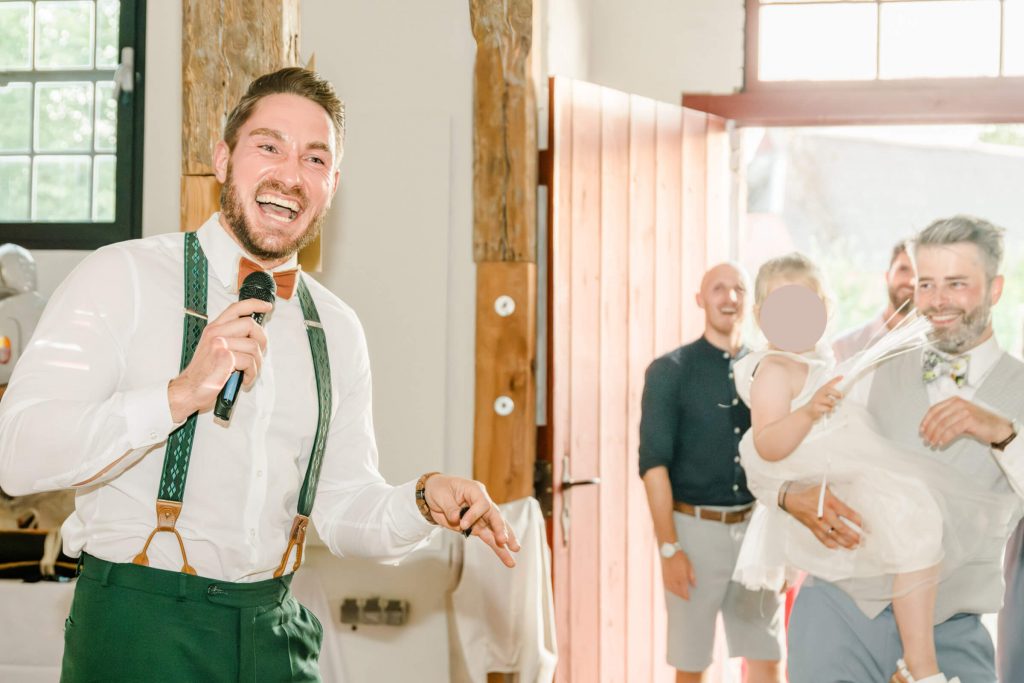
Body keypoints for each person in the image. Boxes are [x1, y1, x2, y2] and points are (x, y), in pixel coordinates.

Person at [0, 67, 520, 682]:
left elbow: (342, 506)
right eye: (268, 146)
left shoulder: (338, 329)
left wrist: (421, 501)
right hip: (137, 634)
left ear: (331, 186)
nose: (290, 174)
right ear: (223, 159)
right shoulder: (121, 278)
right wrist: (177, 395)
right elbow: (17, 456)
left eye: (315, 159)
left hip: (276, 637)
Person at [759, 216, 1024, 683]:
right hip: (838, 615)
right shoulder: (871, 366)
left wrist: (1003, 432)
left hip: (951, 635)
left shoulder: (1019, 390)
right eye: (927, 284)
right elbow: (775, 448)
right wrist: (786, 495)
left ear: (995, 288)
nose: (938, 300)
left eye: (957, 284)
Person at [639, 263, 784, 683]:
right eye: (718, 289)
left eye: (739, 288)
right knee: (692, 663)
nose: (730, 297)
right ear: (700, 300)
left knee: (767, 655)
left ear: (750, 303)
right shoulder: (671, 371)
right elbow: (653, 466)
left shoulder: (769, 368)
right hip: (694, 535)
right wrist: (669, 549)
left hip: (758, 532)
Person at [832, 240, 915, 361]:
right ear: (887, 276)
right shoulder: (844, 347)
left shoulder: (937, 350)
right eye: (903, 269)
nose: (911, 280)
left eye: (920, 273)